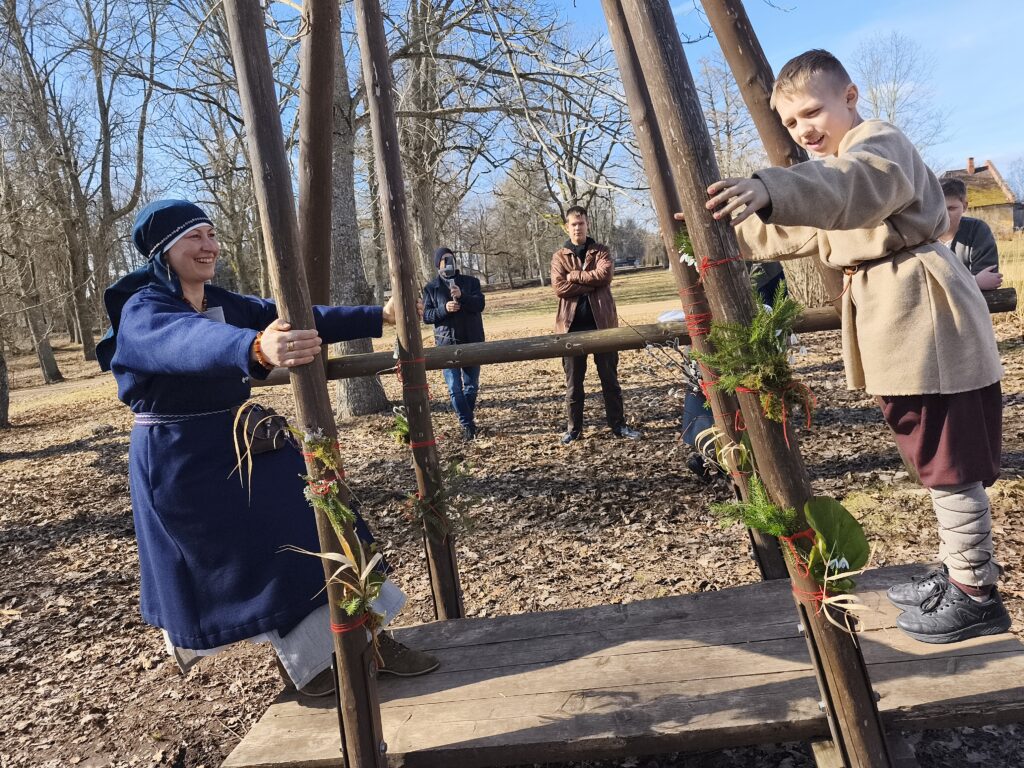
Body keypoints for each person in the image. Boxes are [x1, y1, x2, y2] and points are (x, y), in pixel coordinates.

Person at [698, 50, 1009, 644]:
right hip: (901, 316)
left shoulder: (875, 147)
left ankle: (975, 593)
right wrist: (717, 220)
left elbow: (849, 188)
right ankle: (959, 571)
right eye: (791, 122)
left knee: (948, 454)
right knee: (931, 450)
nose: (803, 129)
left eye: (812, 112)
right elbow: (795, 223)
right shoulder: (836, 174)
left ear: (850, 97)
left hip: (927, 316)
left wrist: (768, 186)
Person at [96, 199, 439, 697]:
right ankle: (324, 664)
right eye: (194, 237)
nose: (209, 246)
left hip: (242, 447)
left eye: (211, 235)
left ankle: (363, 644)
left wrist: (379, 316)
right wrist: (254, 347)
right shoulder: (144, 310)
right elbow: (186, 341)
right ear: (163, 250)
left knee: (322, 522)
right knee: (274, 551)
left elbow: (295, 317)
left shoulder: (218, 300)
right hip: (182, 465)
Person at [551, 205, 641, 444]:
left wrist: (575, 276)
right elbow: (559, 287)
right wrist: (592, 284)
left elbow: (605, 276)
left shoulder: (601, 251)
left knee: (610, 380)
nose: (577, 228)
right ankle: (574, 430)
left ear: (587, 224)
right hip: (571, 328)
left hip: (603, 325)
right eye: (573, 224)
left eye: (581, 223)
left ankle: (618, 425)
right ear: (567, 227)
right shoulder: (560, 256)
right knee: (573, 384)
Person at [422, 247, 486, 440]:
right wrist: (444, 309)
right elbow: (426, 316)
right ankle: (468, 425)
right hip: (446, 345)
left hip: (472, 341)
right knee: (454, 389)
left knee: (471, 387)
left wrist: (462, 296)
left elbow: (480, 305)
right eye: (444, 259)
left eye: (451, 258)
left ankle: (467, 422)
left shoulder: (471, 282)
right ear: (438, 264)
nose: (449, 262)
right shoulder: (431, 288)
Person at [939, 177, 1003, 290]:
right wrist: (975, 281)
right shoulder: (922, 235)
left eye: (951, 208)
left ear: (964, 207)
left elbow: (988, 279)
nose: (945, 215)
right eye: (939, 208)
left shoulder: (977, 230)